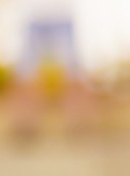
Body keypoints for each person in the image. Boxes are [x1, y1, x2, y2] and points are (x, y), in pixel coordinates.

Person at [8, 0, 93, 139]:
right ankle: (24, 123)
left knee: (73, 73)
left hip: (62, 15)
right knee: (25, 75)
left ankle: (79, 121)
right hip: (32, 16)